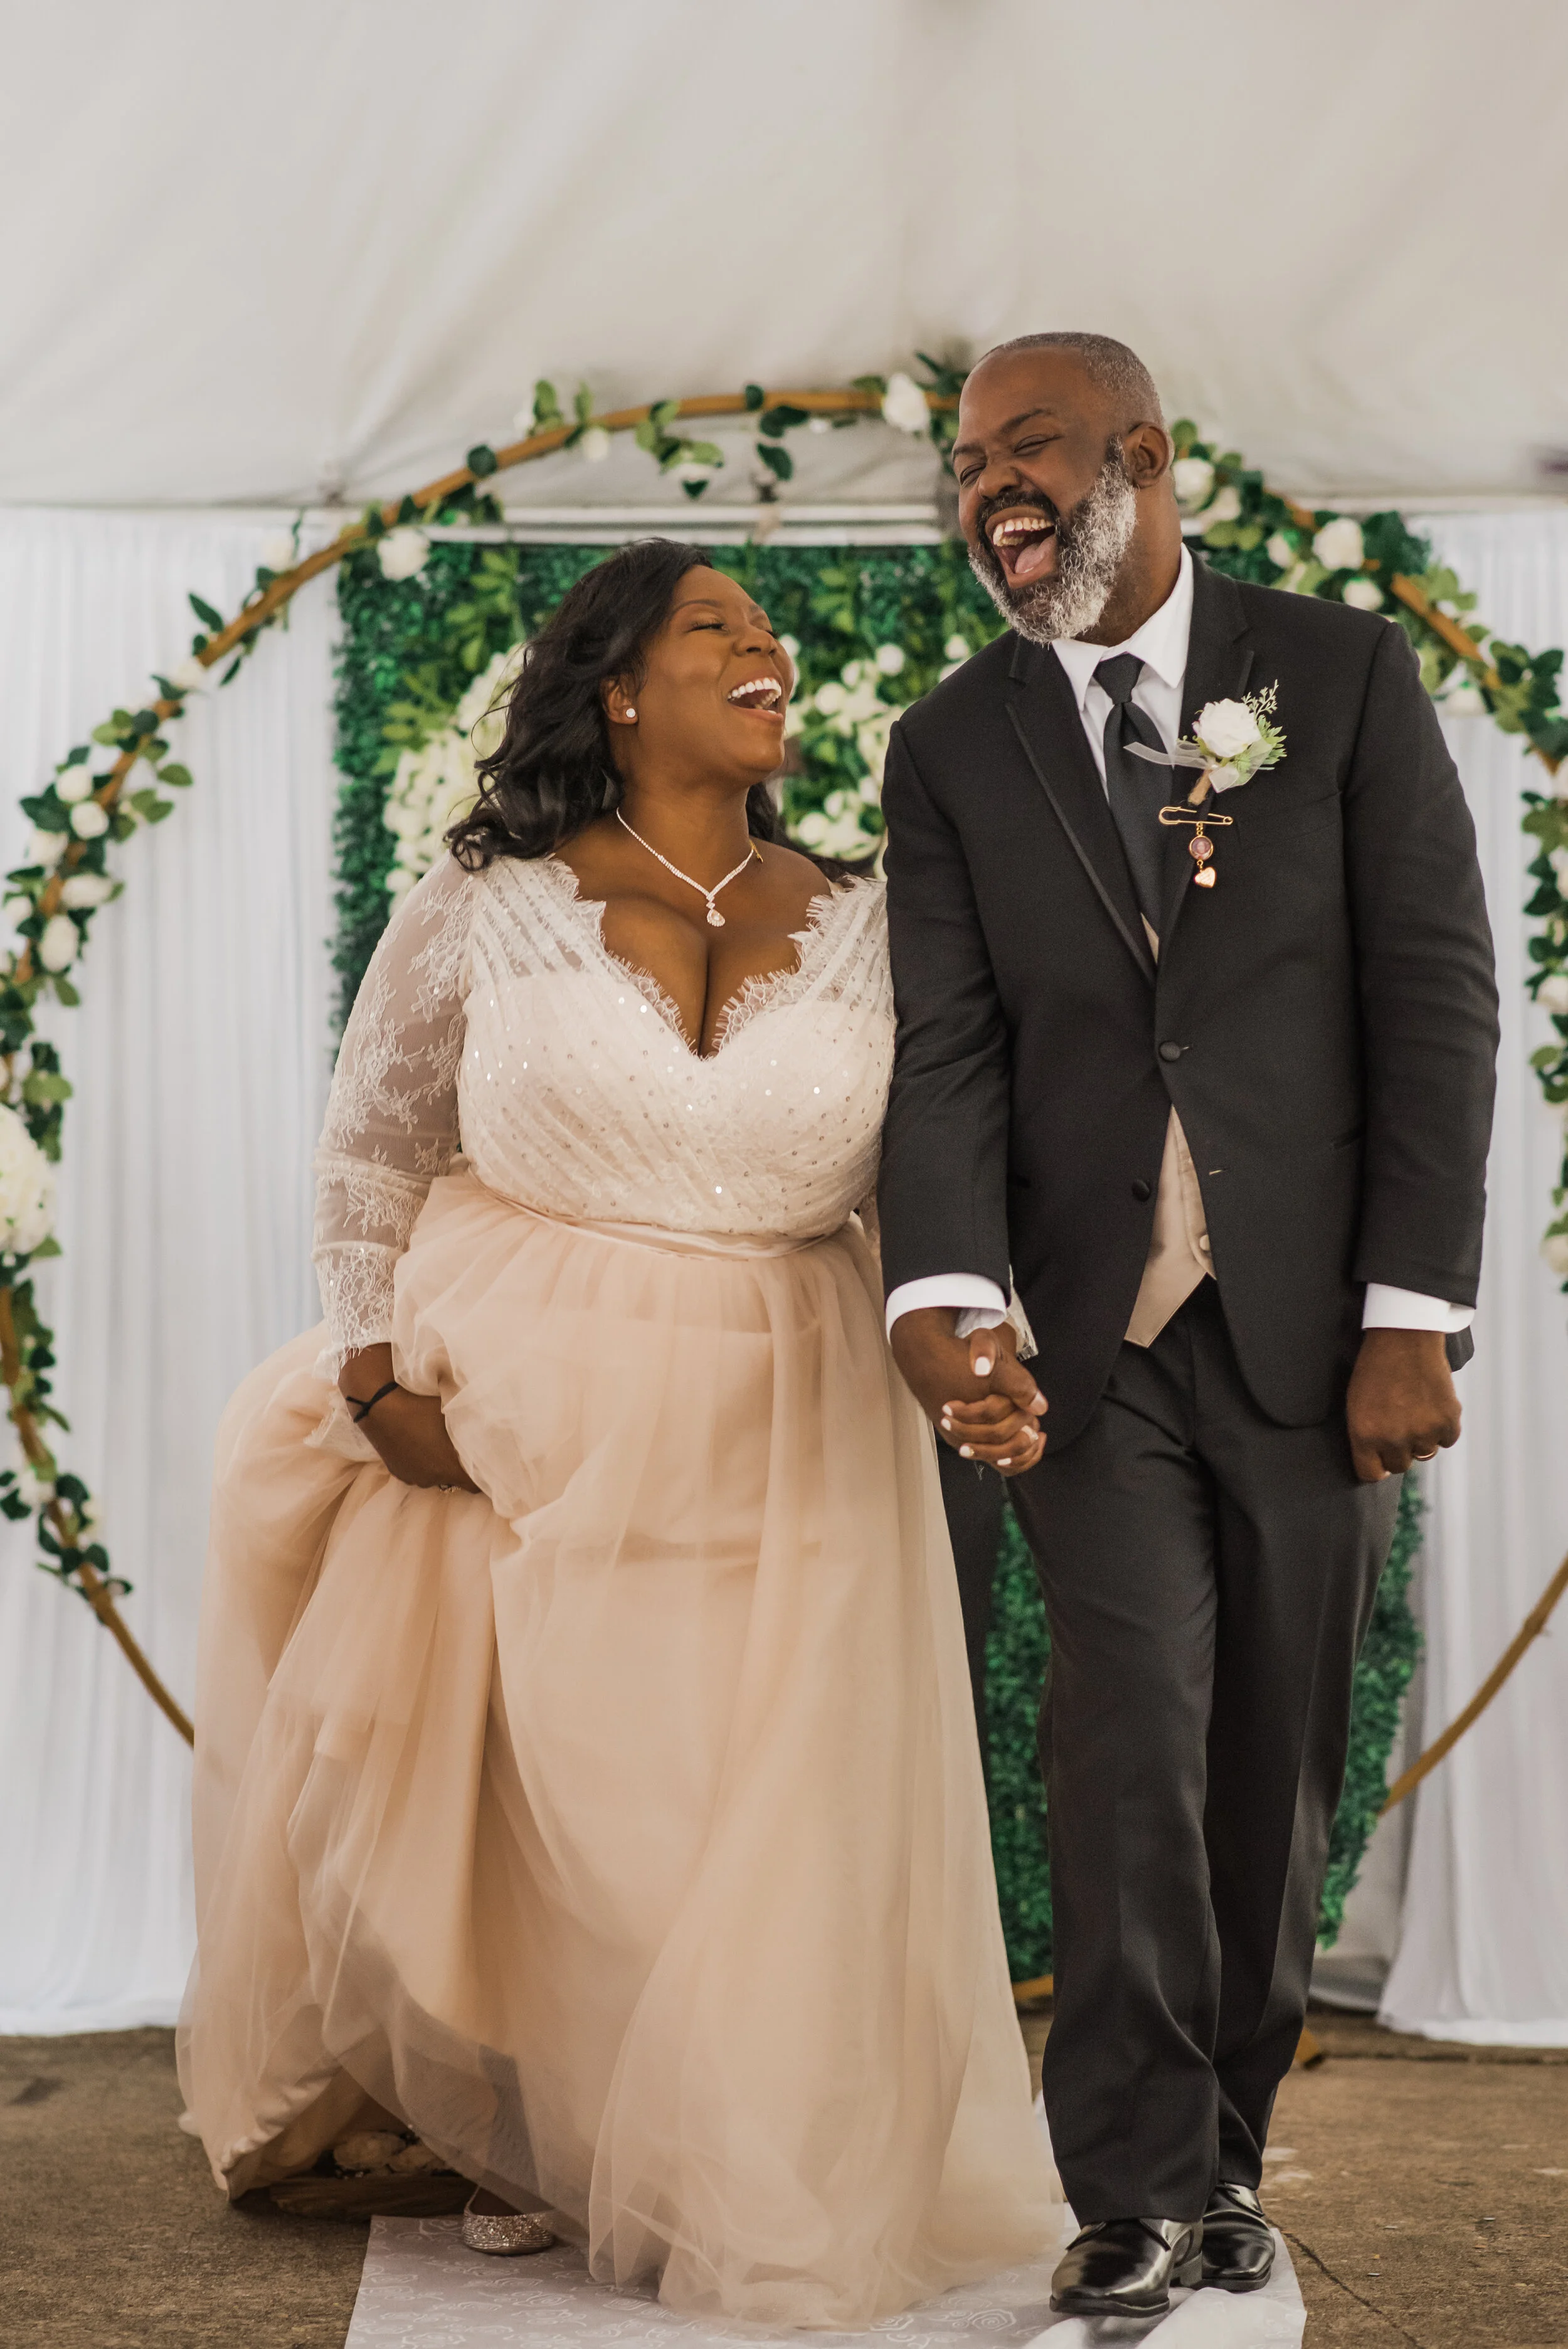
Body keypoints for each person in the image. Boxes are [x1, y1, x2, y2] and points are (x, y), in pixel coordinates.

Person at [177, 539, 1057, 2328]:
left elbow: (923, 1188)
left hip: (790, 1396)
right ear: (618, 689)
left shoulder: (876, 917)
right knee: (545, 1778)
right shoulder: (487, 895)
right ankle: (535, 2126)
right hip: (515, 1383)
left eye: (768, 632)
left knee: (754, 1782)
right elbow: (375, 1139)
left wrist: (976, 1348)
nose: (767, 652)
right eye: (718, 628)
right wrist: (368, 1375)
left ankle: (725, 2135)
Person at [877, 333, 1498, 2320]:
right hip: (1087, 1339)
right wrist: (945, 1293)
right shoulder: (952, 740)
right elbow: (947, 1049)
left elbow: (1433, 996)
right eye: (967, 461)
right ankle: (1133, 2187)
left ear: (1141, 458)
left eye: (1029, 448)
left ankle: (1230, 2153)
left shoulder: (1335, 676)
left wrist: (1413, 1311)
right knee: (1123, 1735)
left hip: (1318, 1327)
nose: (990, 487)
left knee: (1278, 1762)